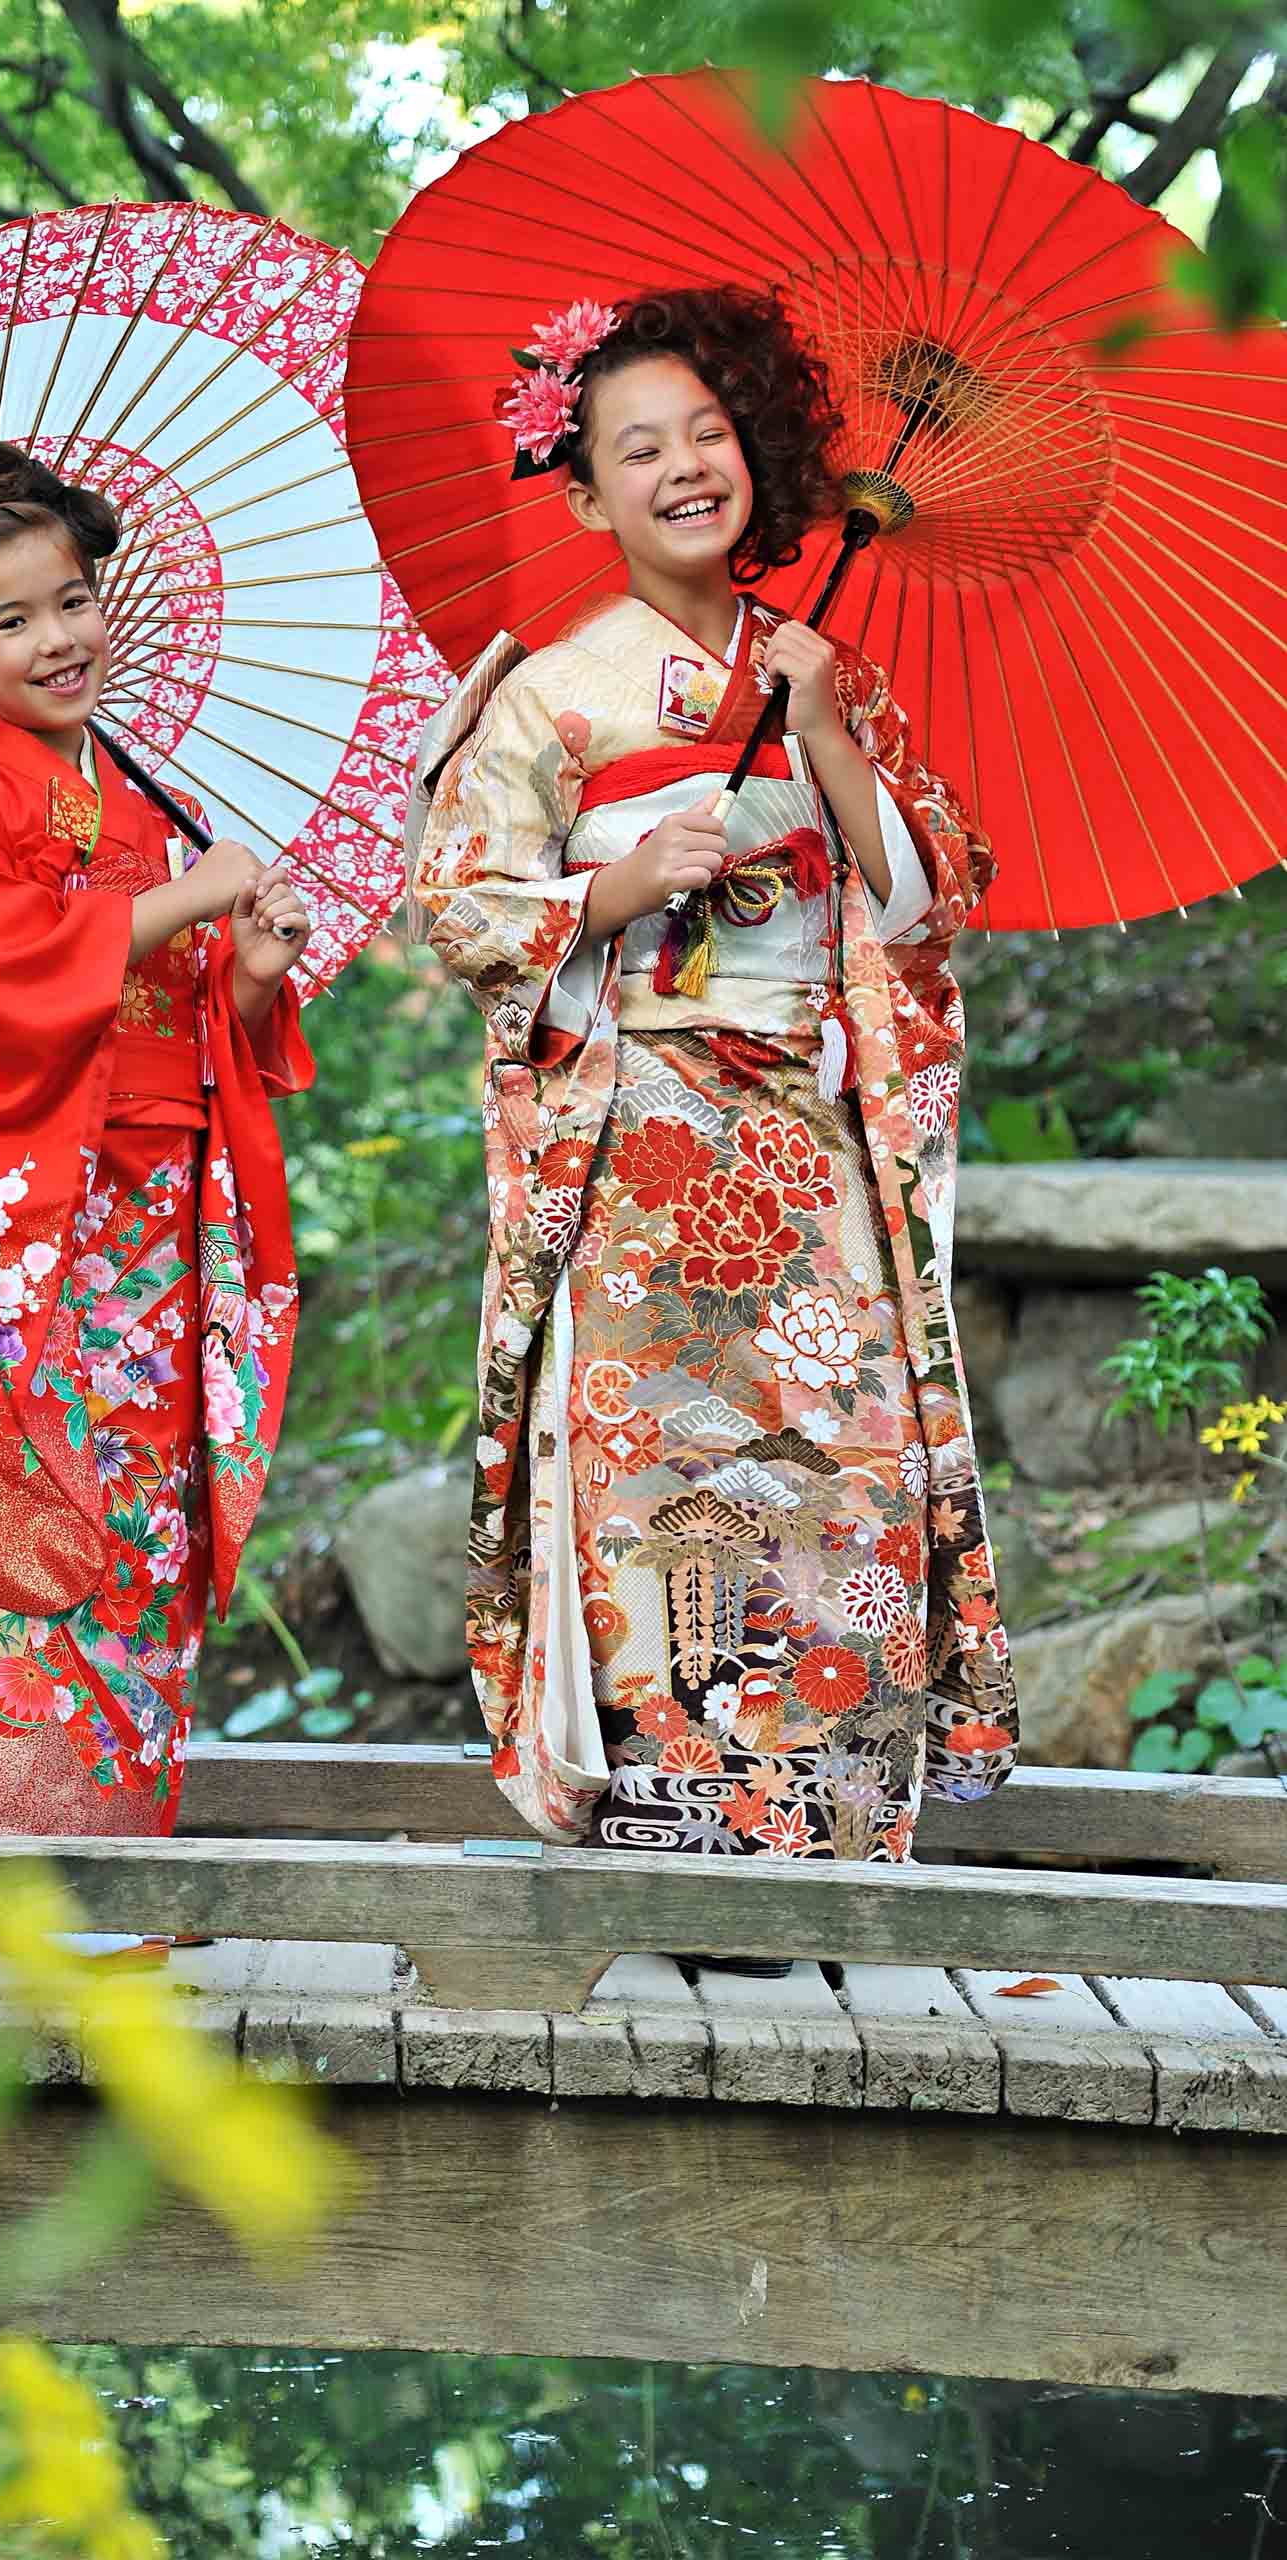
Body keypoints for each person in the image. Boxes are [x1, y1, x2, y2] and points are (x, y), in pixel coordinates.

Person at [412, 289, 1017, 1906]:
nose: (685, 466)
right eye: (638, 448)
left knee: (845, 1474)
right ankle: (687, 1867)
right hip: (647, 1159)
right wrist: (610, 899)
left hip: (810, 1151)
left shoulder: (826, 668)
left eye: (708, 431)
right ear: (589, 493)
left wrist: (821, 727)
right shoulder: (548, 691)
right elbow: (462, 908)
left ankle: (833, 1851)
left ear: (758, 449)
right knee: (667, 1499)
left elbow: (921, 903)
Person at [0, 441, 312, 1838]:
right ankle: (42, 1861)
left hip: (161, 1200)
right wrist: (177, 904)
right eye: (13, 618)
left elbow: (184, 1004)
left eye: (75, 599)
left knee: (149, 1520)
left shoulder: (138, 790)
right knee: (55, 1516)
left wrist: (253, 969)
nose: (60, 638)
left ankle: (124, 1851)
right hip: (51, 1217)